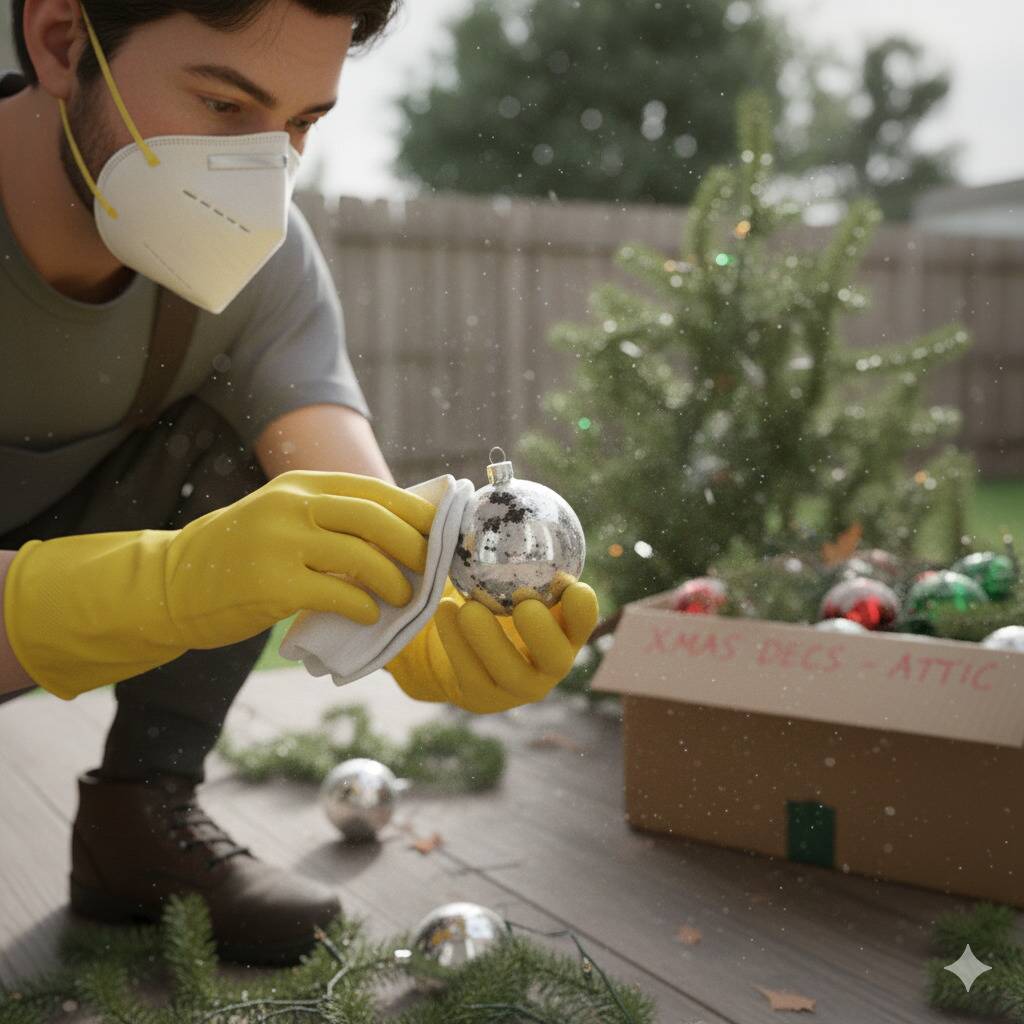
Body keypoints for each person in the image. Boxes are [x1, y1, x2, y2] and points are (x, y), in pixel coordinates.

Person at [0, 0, 599, 966]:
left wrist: (427, 608)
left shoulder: (262, 269)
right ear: (64, 41)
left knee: (261, 474)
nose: (263, 171)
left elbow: (350, 509)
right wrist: (165, 587)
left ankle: (140, 824)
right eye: (224, 104)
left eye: (300, 124)